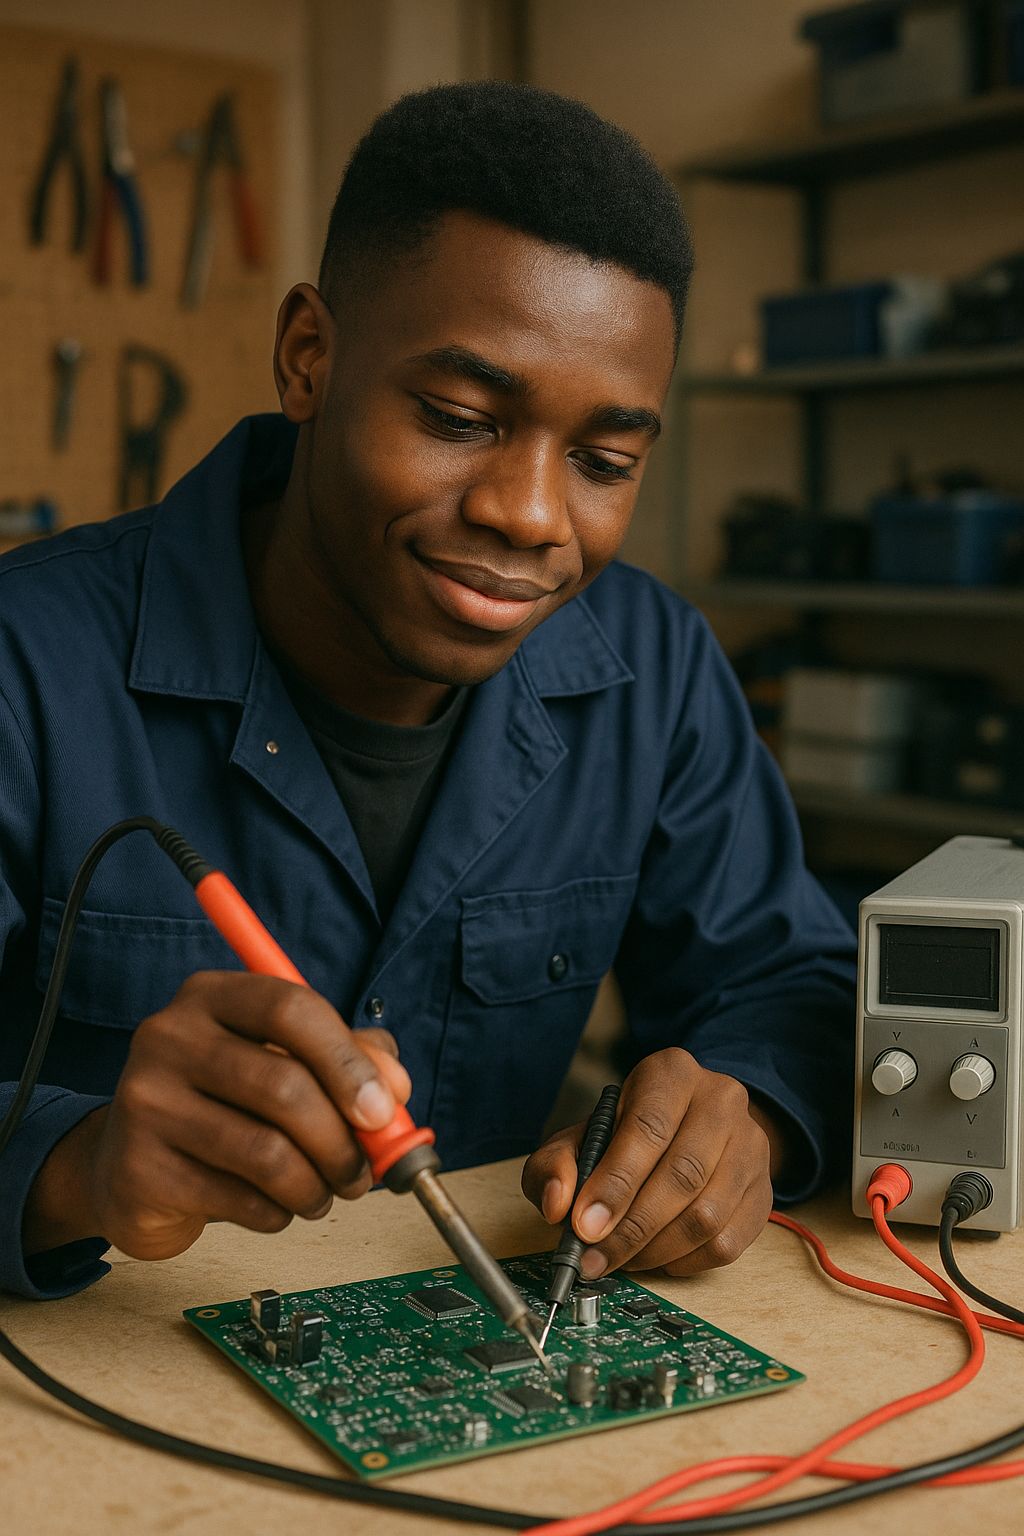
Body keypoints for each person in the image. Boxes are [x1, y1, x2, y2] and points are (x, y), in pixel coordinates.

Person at [0, 82, 855, 1301]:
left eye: (604, 461)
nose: (531, 514)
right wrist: (80, 1169)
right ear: (309, 357)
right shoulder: (25, 663)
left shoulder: (653, 667)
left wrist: (747, 1117)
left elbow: (789, 982)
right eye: (458, 418)